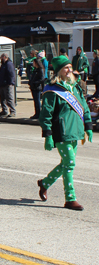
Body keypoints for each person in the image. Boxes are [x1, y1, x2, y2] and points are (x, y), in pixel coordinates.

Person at [37, 55, 93, 211]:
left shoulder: (75, 87)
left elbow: (84, 107)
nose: (69, 70)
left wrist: (88, 125)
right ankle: (70, 198)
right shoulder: (52, 90)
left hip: (76, 131)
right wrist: (47, 135)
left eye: (70, 67)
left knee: (66, 163)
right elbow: (45, 114)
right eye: (65, 68)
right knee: (70, 164)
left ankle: (45, 183)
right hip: (62, 132)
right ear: (59, 71)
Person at [0, 53, 17, 117]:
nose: (1, 59)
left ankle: (13, 111)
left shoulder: (9, 64)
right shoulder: (3, 65)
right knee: (2, 98)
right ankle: (4, 110)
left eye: (1, 58)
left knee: (9, 98)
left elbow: (11, 74)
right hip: (2, 84)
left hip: (7, 84)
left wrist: (10, 83)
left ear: (5, 57)